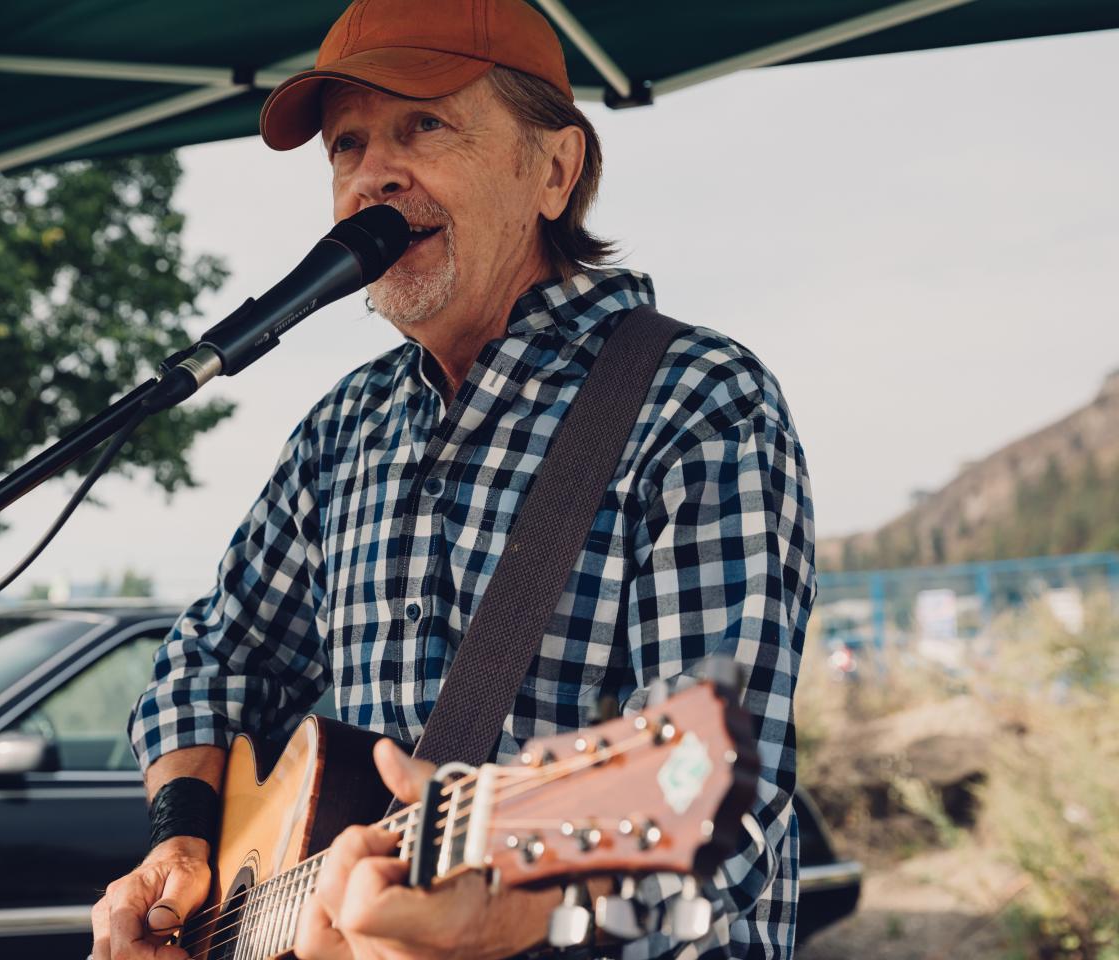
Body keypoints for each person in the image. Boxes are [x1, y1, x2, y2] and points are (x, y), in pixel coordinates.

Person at [91, 0, 815, 957]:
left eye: (422, 125)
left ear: (553, 171)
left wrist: (504, 909)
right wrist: (181, 841)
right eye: (347, 145)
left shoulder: (695, 402)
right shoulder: (343, 428)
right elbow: (209, 663)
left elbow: (712, 790)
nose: (371, 176)